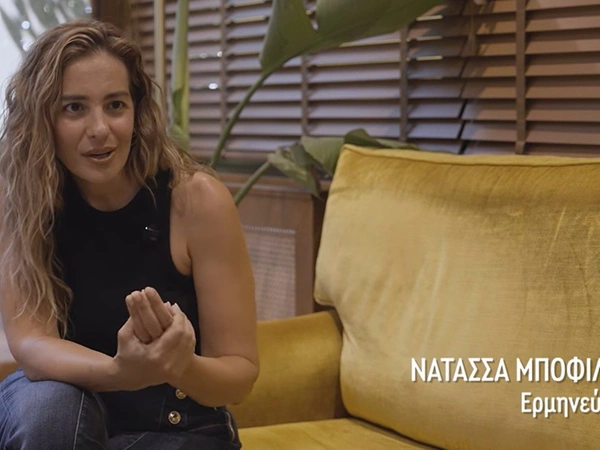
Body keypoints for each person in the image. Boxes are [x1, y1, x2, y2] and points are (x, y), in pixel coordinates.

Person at [0, 19, 258, 450]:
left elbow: (239, 375)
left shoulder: (196, 200)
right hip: (69, 416)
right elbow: (31, 342)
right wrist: (121, 372)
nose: (100, 129)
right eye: (74, 108)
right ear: (42, 119)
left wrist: (177, 364)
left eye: (115, 105)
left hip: (177, 429)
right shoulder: (21, 201)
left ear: (137, 111)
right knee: (50, 411)